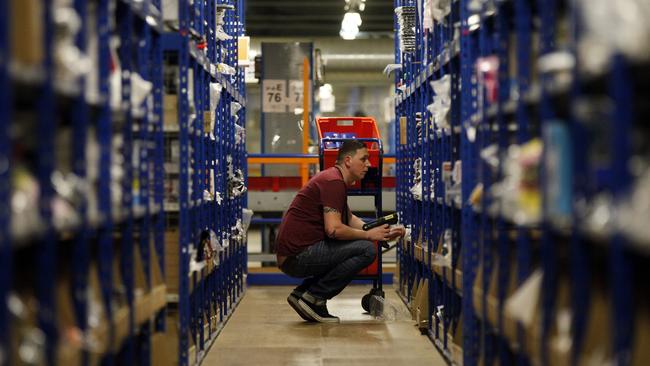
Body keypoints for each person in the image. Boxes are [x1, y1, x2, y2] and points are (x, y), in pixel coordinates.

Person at [275, 139, 406, 323]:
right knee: (366, 249)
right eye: (364, 159)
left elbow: (350, 219)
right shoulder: (333, 182)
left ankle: (304, 294)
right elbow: (334, 229)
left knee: (364, 244)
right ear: (348, 161)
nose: (368, 164)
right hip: (297, 256)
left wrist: (380, 231)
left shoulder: (333, 179)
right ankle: (314, 297)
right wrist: (369, 235)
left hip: (296, 254)